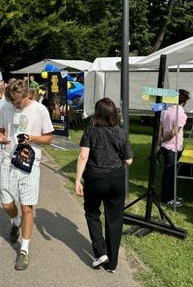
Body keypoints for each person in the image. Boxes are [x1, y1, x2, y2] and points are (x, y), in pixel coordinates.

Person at [0, 79, 54, 270]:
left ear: (26, 95)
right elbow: (0, 130)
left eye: (18, 102)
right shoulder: (6, 107)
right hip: (7, 161)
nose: (15, 105)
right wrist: (1, 137)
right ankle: (15, 222)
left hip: (30, 163)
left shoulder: (40, 110)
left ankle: (24, 250)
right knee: (6, 203)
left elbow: (48, 138)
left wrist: (32, 138)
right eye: (12, 102)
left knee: (27, 206)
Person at [74, 98, 132, 274]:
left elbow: (83, 156)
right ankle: (112, 264)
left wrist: (77, 180)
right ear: (114, 113)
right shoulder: (120, 132)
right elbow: (128, 160)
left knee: (92, 213)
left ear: (97, 113)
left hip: (95, 178)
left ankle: (101, 252)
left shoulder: (90, 131)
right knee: (115, 218)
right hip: (116, 178)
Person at [159, 89, 190, 206]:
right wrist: (163, 139)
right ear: (184, 101)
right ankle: (168, 198)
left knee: (169, 172)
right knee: (170, 173)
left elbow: (160, 128)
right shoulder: (181, 114)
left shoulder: (165, 110)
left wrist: (159, 142)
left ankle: (170, 195)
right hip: (173, 147)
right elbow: (173, 132)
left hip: (165, 146)